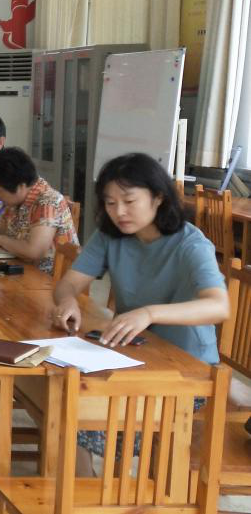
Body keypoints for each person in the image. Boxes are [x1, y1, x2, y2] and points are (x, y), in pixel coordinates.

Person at [51, 152, 227, 470]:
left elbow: (219, 305)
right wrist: (68, 301)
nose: (119, 212)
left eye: (129, 201)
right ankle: (83, 489)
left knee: (80, 411)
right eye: (110, 203)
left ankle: (108, 490)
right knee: (64, 401)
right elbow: (68, 284)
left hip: (187, 370)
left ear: (158, 197)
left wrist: (149, 313)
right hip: (133, 356)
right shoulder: (110, 235)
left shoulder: (191, 244)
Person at [0, 148, 78, 273]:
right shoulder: (16, 199)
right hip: (22, 269)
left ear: (20, 185)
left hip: (46, 279)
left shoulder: (47, 201)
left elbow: (34, 251)